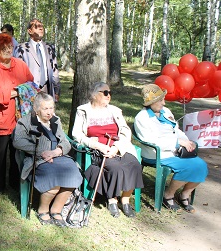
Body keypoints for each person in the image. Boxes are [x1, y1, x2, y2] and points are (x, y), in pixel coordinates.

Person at [72, 82, 144, 218]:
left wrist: (116, 147)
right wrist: (98, 146)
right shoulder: (83, 110)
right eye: (105, 93)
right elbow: (77, 134)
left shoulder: (115, 111)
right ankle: (112, 200)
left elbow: (125, 131)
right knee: (115, 168)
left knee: (134, 165)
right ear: (94, 94)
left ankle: (125, 200)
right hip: (99, 149)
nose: (108, 95)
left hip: (118, 147)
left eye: (110, 93)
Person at [134, 84, 208, 213]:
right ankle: (168, 195)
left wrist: (187, 141)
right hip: (157, 154)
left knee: (201, 166)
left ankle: (184, 194)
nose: (164, 102)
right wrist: (177, 143)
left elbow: (176, 130)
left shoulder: (166, 111)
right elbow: (150, 141)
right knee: (188, 167)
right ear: (150, 103)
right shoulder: (142, 118)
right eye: (160, 100)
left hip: (175, 151)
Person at [13, 92, 82, 226]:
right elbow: (17, 141)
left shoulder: (55, 120)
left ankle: (56, 209)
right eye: (46, 109)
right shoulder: (25, 121)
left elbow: (65, 142)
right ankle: (43, 210)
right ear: (37, 109)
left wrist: (57, 151)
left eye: (52, 108)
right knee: (53, 178)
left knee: (73, 174)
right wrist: (41, 152)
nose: (50, 112)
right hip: (38, 159)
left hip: (57, 156)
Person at [0, 33, 34, 192]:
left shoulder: (20, 64)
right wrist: (19, 90)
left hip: (21, 117)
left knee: (17, 153)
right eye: (3, 48)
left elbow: (32, 84)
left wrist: (17, 90)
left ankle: (15, 183)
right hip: (2, 117)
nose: (7, 50)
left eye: (9, 47)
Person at [14, 19, 60, 101]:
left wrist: (56, 90)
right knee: (31, 113)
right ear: (30, 31)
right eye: (37, 27)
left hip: (46, 89)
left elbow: (54, 71)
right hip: (29, 90)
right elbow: (18, 72)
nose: (41, 28)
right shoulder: (22, 48)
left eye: (42, 26)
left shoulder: (49, 48)